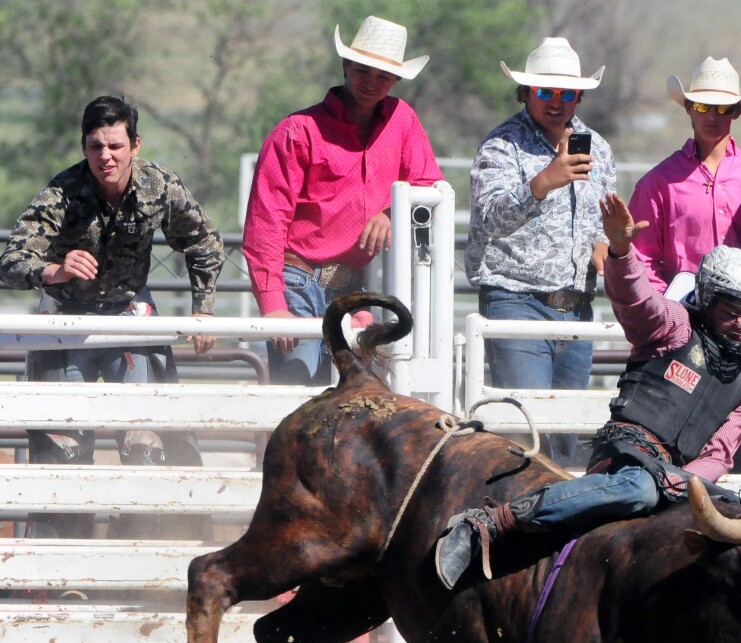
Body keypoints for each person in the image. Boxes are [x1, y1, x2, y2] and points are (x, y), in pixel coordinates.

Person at [440, 191, 741, 643]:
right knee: (638, 494)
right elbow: (637, 300)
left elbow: (719, 455)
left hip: (678, 482)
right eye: (733, 310)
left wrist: (688, 483)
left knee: (721, 552)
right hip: (628, 452)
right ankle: (495, 521)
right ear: (709, 301)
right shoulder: (674, 329)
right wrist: (621, 250)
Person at [0, 95, 224, 539]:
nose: (106, 156)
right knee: (62, 449)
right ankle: (62, 564)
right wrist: (52, 270)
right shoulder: (62, 192)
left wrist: (203, 309)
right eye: (95, 146)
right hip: (66, 322)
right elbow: (11, 260)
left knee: (148, 442)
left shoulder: (159, 186)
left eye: (115, 146)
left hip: (129, 316)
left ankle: (141, 551)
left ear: (135, 145)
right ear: (84, 147)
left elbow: (205, 243)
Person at [243, 16, 442, 385]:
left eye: (383, 75)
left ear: (395, 81)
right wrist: (273, 305)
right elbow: (267, 221)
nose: (371, 82)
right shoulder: (297, 131)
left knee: (354, 397)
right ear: (346, 66)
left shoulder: (402, 120)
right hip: (298, 281)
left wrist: (390, 212)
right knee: (301, 394)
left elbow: (429, 184)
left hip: (355, 287)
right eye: (363, 70)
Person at [628, 56, 741, 474]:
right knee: (676, 426)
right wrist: (669, 311)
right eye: (703, 106)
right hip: (685, 326)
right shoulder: (659, 182)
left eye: (723, 108)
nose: (713, 116)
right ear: (688, 108)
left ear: (737, 111)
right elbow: (642, 257)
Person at [464, 37, 616, 467]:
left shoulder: (598, 148)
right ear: (526, 92)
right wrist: (543, 182)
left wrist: (611, 250)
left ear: (578, 96)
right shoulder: (502, 145)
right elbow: (490, 218)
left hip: (577, 308)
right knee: (527, 431)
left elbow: (598, 229)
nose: (555, 101)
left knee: (564, 438)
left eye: (566, 93)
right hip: (517, 301)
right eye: (545, 91)